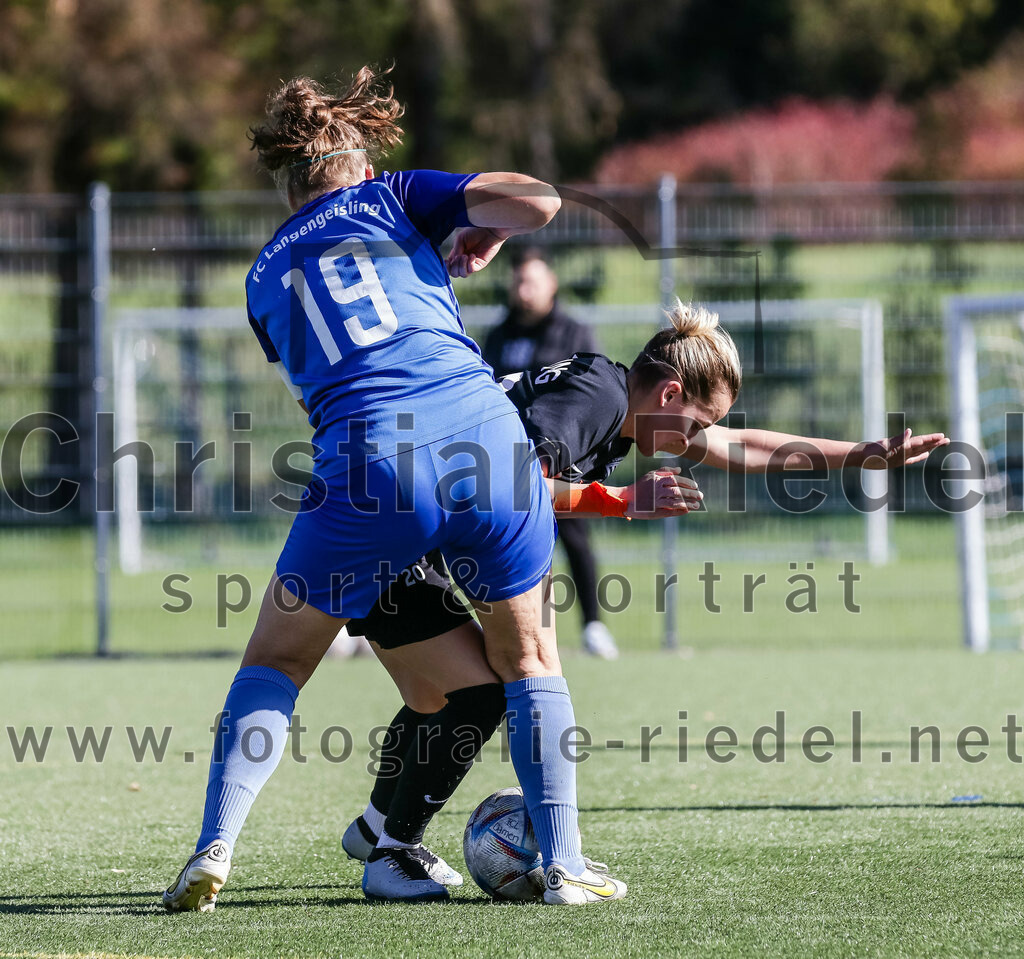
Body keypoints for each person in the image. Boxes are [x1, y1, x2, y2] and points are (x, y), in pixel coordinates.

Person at [162, 65, 626, 912]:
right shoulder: (394, 195)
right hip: (488, 442)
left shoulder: (263, 278)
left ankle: (213, 845)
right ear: (361, 167)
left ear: (289, 184)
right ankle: (565, 866)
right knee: (529, 660)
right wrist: (477, 228)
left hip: (371, 463)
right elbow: (541, 201)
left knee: (276, 659)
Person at [341, 300, 949, 899]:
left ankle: (376, 831)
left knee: (439, 694)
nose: (700, 439)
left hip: (385, 527)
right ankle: (402, 854)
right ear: (669, 394)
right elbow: (509, 486)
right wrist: (622, 499)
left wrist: (860, 457)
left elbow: (742, 446)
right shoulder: (596, 399)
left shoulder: (613, 400)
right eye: (697, 422)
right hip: (388, 536)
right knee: (485, 690)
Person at [482, 249, 619, 659]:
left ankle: (594, 625)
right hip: (505, 460)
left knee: (575, 538)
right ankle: (517, 633)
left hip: (559, 460)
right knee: (514, 546)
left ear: (551, 286)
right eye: (519, 283)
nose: (524, 291)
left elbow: (592, 403)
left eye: (533, 283)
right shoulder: (499, 334)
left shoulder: (572, 332)